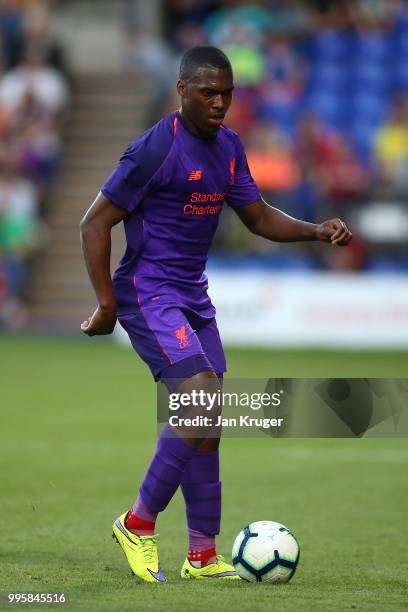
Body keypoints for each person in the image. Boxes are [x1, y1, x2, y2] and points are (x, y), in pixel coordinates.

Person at [80, 46, 352, 584]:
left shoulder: (228, 146)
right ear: (182, 90)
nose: (220, 103)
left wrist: (316, 230)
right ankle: (138, 523)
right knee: (201, 397)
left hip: (192, 297)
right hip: (148, 292)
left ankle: (202, 555)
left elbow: (258, 217)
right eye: (209, 92)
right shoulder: (154, 148)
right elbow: (93, 223)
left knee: (208, 422)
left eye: (227, 93)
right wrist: (107, 304)